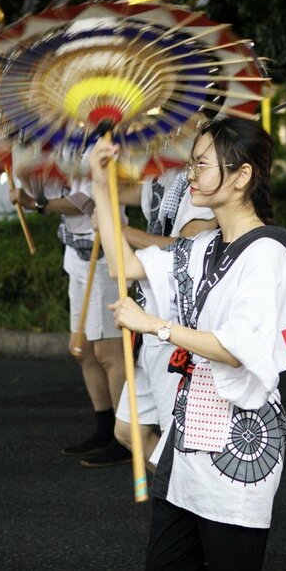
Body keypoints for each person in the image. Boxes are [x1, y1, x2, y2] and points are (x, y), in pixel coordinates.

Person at [91, 117, 286, 571]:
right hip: (188, 446)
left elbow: (237, 348)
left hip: (236, 450)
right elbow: (121, 265)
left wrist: (156, 325)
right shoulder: (204, 246)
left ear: (242, 176)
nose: (191, 174)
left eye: (202, 164)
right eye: (192, 163)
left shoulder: (267, 254)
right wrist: (99, 186)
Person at [10, 148, 131, 468]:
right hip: (75, 254)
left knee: (110, 353)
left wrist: (38, 204)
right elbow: (40, 189)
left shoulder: (99, 145)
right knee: (84, 351)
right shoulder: (59, 146)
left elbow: (86, 200)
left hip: (104, 255)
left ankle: (126, 438)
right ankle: (104, 429)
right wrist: (17, 160)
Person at [106, 167, 217, 467]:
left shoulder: (206, 184)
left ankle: (185, 504)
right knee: (128, 432)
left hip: (178, 325)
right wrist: (99, 179)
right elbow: (120, 190)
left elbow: (185, 249)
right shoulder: (171, 176)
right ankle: (179, 499)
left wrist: (124, 232)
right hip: (150, 318)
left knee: (179, 442)